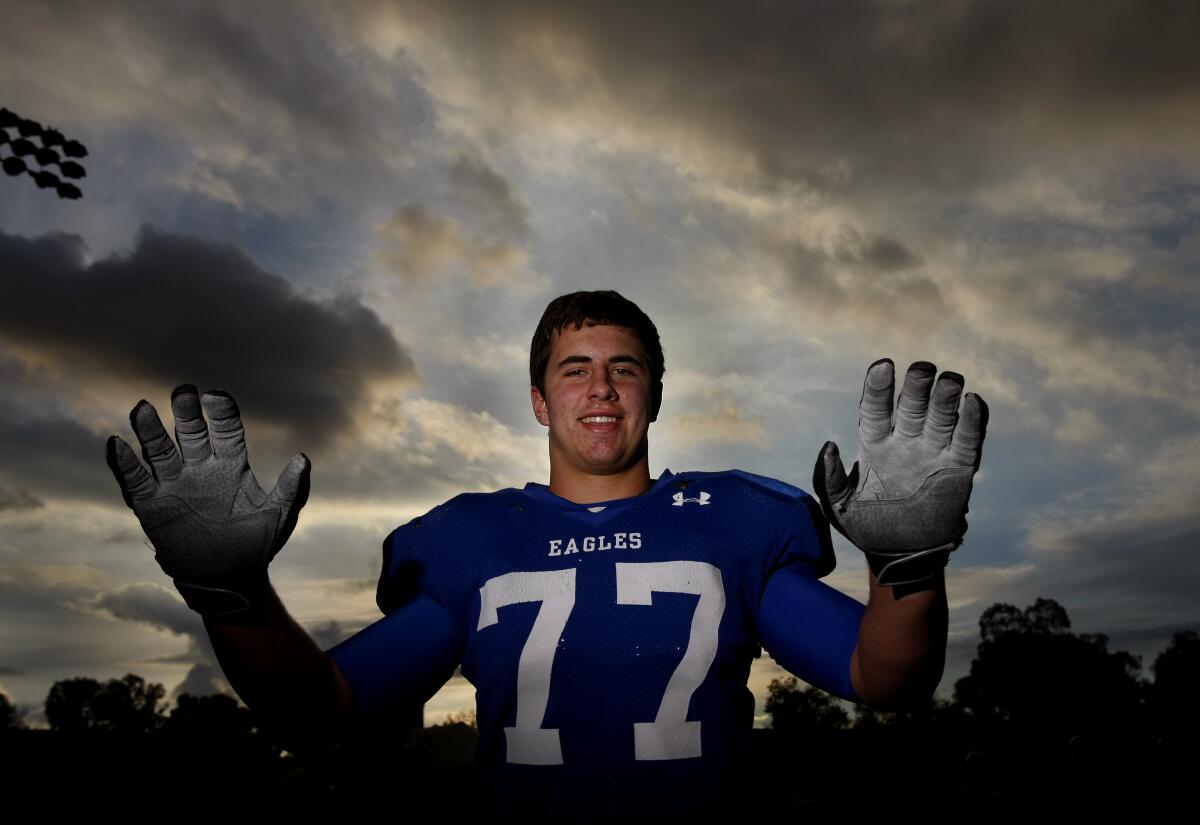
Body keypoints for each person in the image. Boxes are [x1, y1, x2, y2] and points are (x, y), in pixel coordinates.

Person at [105, 290, 987, 815]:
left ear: (653, 393)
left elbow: (886, 676)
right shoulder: (470, 539)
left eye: (624, 366)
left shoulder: (731, 518)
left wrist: (907, 566)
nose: (600, 385)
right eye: (575, 367)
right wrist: (232, 594)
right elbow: (321, 708)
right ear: (539, 399)